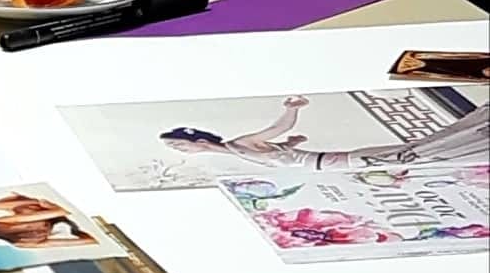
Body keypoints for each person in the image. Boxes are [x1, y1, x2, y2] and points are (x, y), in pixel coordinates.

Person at [161, 95, 490, 171]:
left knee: (424, 155)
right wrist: (291, 145)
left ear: (198, 141)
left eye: (179, 145)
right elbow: (281, 147)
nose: (181, 151)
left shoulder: (239, 144)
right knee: (423, 154)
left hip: (335, 162)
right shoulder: (238, 151)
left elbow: (278, 129)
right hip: (329, 165)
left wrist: (292, 109)